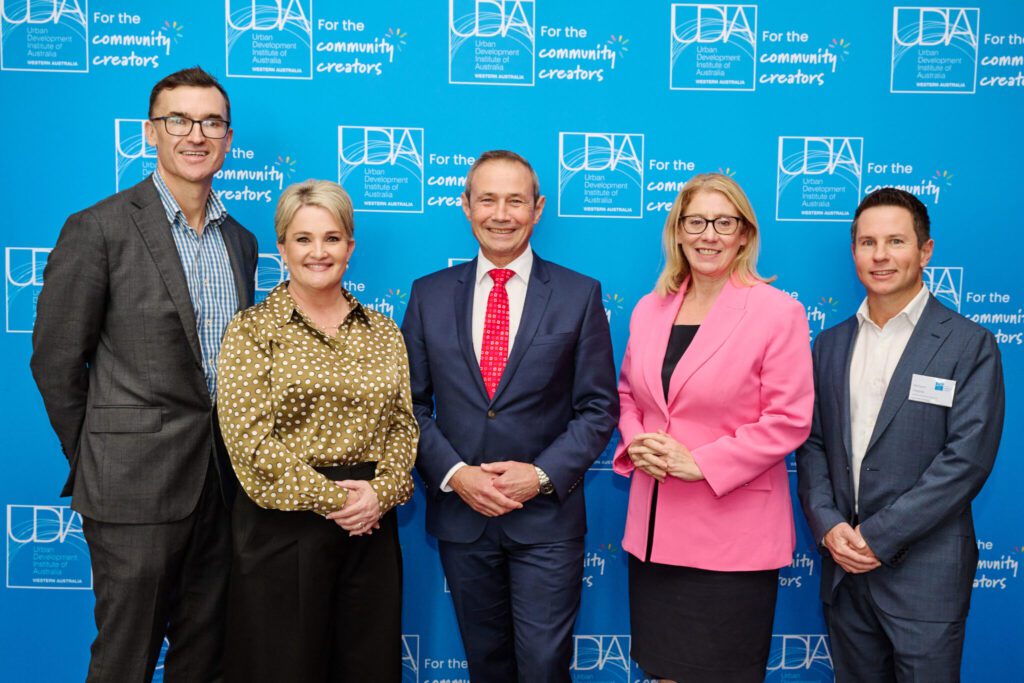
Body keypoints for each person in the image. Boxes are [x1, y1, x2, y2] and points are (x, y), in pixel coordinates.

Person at [29, 66, 257, 681]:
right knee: (125, 659)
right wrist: (98, 454)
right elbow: (55, 360)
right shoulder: (99, 227)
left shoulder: (241, 241)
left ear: (228, 138)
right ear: (151, 132)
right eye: (178, 120)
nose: (196, 135)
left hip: (222, 487)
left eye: (211, 122)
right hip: (131, 488)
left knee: (205, 658)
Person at [401, 150, 618, 683]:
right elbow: (410, 405)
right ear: (466, 206)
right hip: (463, 518)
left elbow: (598, 407)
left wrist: (539, 475)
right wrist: (456, 475)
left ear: (537, 209)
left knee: (544, 666)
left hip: (546, 522)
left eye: (515, 201)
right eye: (488, 200)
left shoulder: (579, 294)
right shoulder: (429, 295)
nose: (501, 214)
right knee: (487, 666)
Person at [796, 187, 1004, 682]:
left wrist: (877, 537)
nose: (880, 255)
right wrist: (828, 525)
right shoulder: (829, 344)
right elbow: (814, 445)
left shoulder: (969, 344)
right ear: (854, 252)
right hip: (845, 574)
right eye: (867, 243)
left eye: (896, 241)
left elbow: (966, 461)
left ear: (925, 250)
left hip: (926, 581)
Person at [612, 172, 814, 682]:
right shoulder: (650, 308)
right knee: (663, 672)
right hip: (655, 533)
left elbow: (789, 419)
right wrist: (637, 442)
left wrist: (700, 462)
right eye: (696, 222)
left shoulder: (778, 312)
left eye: (724, 223)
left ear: (744, 234)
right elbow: (628, 395)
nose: (709, 235)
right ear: (678, 231)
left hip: (732, 540)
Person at [216, 179, 417, 682]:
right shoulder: (252, 329)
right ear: (282, 248)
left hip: (370, 530)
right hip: (283, 530)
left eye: (331, 238)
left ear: (350, 246)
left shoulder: (384, 331)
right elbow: (249, 442)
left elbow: (402, 425)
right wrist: (339, 501)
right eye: (303, 239)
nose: (318, 252)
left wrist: (380, 494)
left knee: (367, 669)